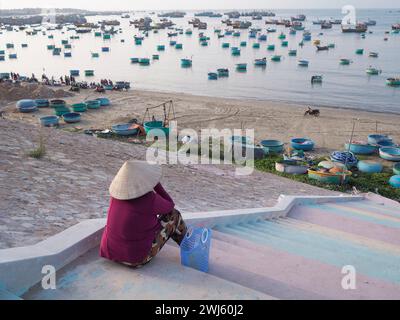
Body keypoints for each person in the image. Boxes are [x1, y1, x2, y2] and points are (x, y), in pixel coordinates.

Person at [100, 160, 187, 268]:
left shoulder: (116, 197)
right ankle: (187, 246)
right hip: (135, 260)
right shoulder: (149, 199)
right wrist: (156, 185)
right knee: (174, 215)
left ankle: (186, 243)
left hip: (110, 253)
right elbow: (170, 205)